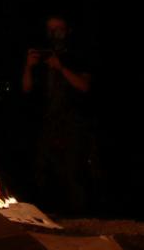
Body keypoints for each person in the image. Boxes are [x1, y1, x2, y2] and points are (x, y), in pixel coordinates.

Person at [22, 14, 98, 214]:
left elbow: (84, 86)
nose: (54, 34)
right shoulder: (43, 58)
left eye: (59, 29)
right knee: (42, 170)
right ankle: (48, 215)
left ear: (68, 31)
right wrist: (28, 67)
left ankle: (81, 217)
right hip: (46, 121)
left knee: (73, 171)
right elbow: (27, 89)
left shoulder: (78, 56)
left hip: (73, 121)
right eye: (50, 30)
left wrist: (61, 67)